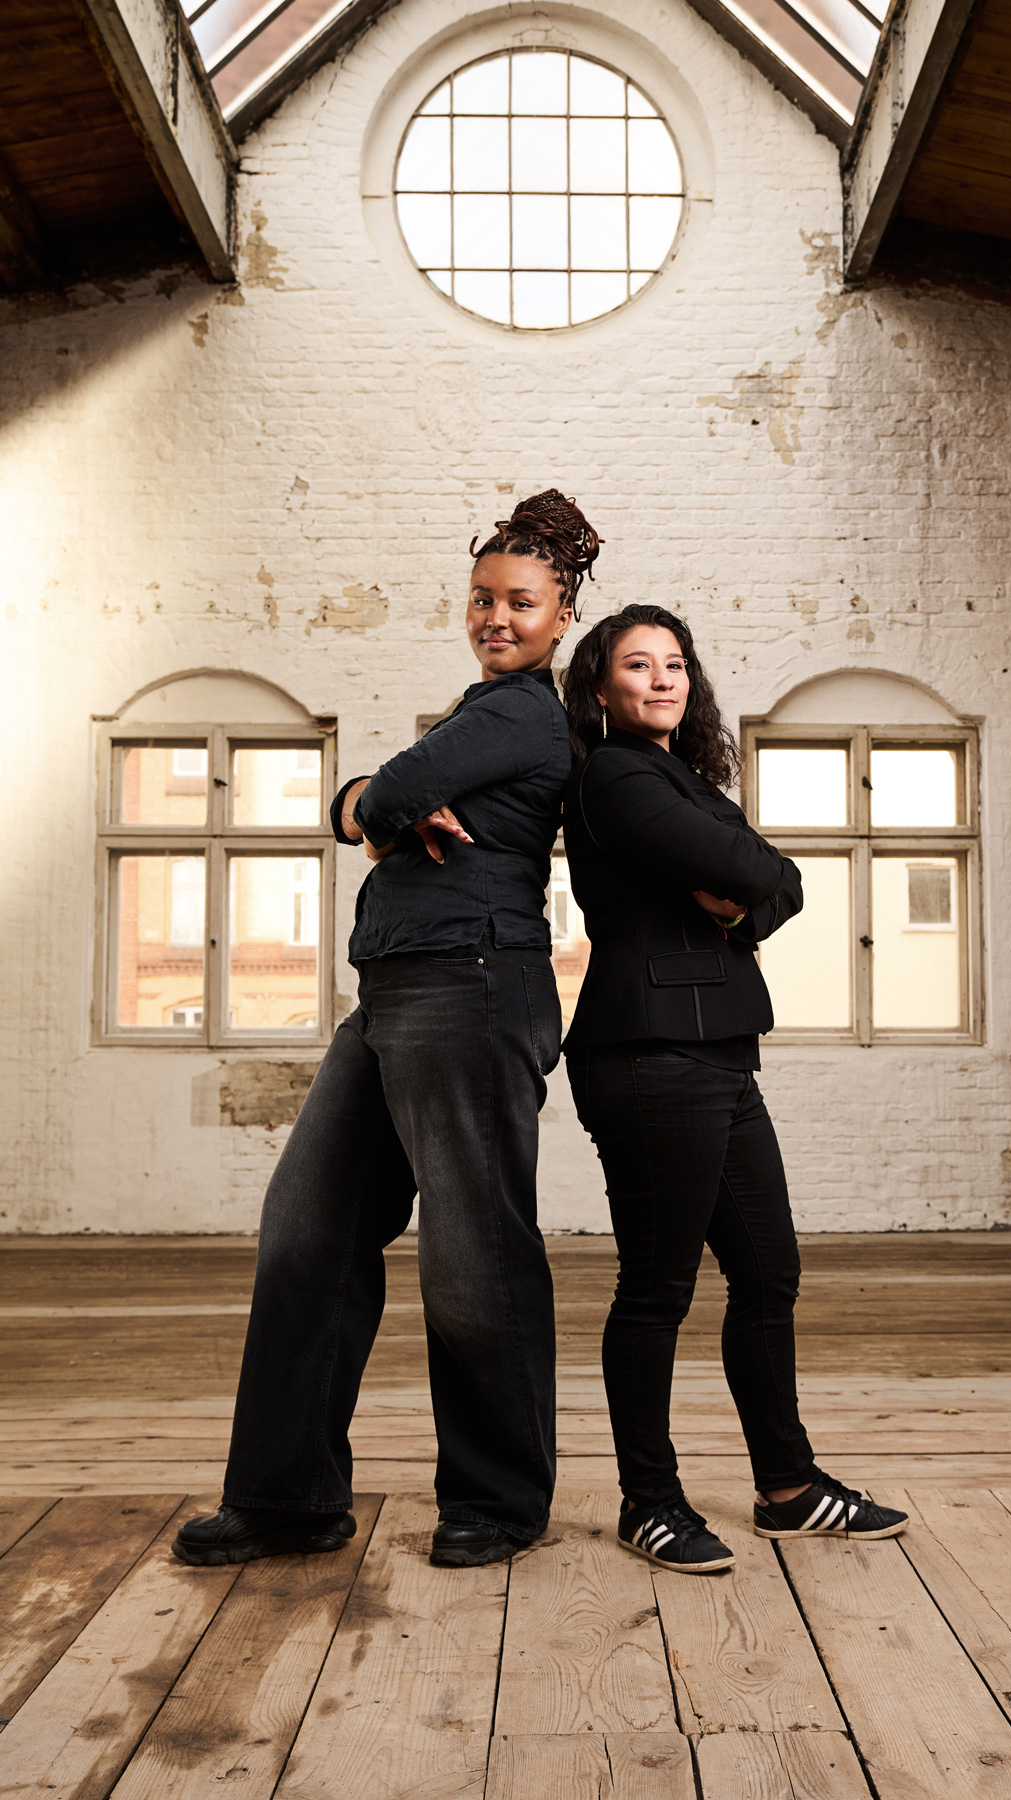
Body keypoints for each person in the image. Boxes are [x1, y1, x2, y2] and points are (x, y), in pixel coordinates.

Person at [172, 490, 601, 1570]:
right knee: (307, 1228)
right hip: (394, 994)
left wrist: (384, 795)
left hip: (472, 988)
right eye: (480, 598)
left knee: (473, 1251)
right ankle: (286, 1500)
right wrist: (375, 797)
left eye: (520, 602)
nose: (494, 616)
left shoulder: (517, 713)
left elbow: (384, 794)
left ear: (560, 616)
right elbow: (363, 802)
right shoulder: (479, 710)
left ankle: (499, 1502)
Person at [560, 604, 907, 1573]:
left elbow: (773, 884)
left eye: (675, 663)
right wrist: (744, 883)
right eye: (638, 664)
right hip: (649, 1054)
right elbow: (758, 867)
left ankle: (789, 1489)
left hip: (717, 1048)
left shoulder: (677, 778)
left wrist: (746, 894)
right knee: (658, 1287)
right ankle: (649, 1501)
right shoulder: (616, 775)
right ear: (600, 686)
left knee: (767, 1274)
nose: (663, 678)